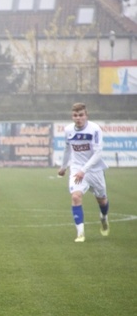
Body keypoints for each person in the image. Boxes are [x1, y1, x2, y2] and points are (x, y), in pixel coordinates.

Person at [57, 102, 109, 242]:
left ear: (86, 116)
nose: (78, 118)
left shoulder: (95, 129)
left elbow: (98, 153)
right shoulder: (68, 130)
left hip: (94, 170)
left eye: (81, 115)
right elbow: (67, 149)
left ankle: (104, 218)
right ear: (72, 116)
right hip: (76, 168)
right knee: (75, 197)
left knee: (102, 200)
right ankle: (80, 233)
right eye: (75, 115)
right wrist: (63, 167)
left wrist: (84, 170)